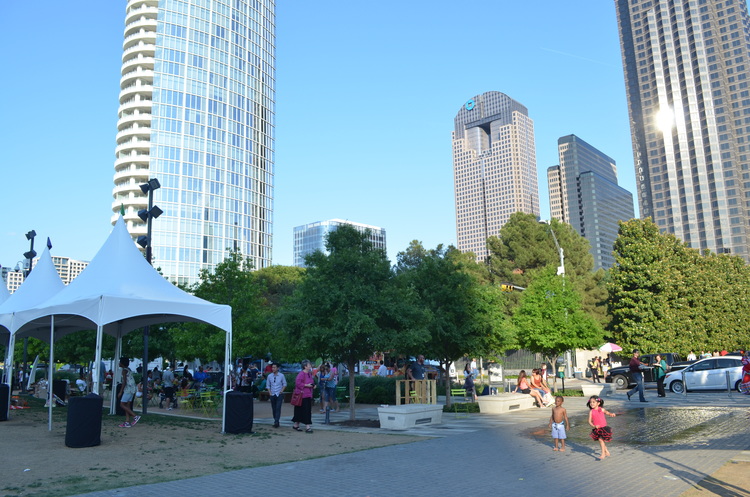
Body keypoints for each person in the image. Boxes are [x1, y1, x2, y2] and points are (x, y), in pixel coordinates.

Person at [292, 359, 315, 433]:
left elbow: (311, 382)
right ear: (305, 366)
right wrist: (306, 385)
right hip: (302, 395)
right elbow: (298, 383)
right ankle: (307, 426)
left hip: (308, 394)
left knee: (306, 410)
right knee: (303, 410)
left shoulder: (309, 374)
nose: (310, 366)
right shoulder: (301, 374)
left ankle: (296, 424)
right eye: (309, 365)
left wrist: (313, 386)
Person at [118, 357, 139, 428]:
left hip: (128, 389)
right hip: (133, 388)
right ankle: (127, 421)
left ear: (122, 363)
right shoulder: (128, 369)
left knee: (122, 404)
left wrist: (120, 392)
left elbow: (124, 382)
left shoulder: (124, 371)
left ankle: (135, 416)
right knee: (127, 405)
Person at [266, 363, 287, 428]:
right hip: (272, 394)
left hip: (279, 394)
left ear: (278, 368)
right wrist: (270, 393)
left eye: (274, 367)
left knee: (278, 407)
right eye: (272, 367)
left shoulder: (281, 375)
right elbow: (268, 385)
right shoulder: (269, 376)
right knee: (274, 408)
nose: (273, 369)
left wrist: (281, 391)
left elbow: (284, 384)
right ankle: (275, 419)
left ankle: (276, 421)